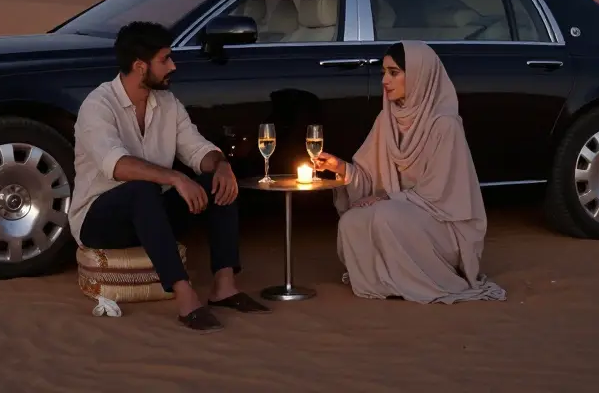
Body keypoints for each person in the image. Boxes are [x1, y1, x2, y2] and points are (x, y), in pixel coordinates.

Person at [70, 21, 271, 332]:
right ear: (139, 66)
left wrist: (220, 164)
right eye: (165, 59)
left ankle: (224, 286)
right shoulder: (97, 106)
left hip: (152, 215)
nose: (173, 66)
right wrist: (175, 178)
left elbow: (196, 148)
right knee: (142, 189)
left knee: (217, 182)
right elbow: (117, 165)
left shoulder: (166, 103)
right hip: (100, 220)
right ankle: (185, 297)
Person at [312, 40, 506, 303]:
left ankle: (420, 279)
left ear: (419, 75)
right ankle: (384, 284)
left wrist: (386, 199)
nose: (385, 81)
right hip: (400, 216)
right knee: (351, 222)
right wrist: (342, 169)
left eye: (394, 73)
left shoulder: (445, 126)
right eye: (384, 73)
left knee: (383, 215)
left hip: (443, 227)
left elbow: (438, 195)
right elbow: (368, 176)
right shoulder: (387, 120)